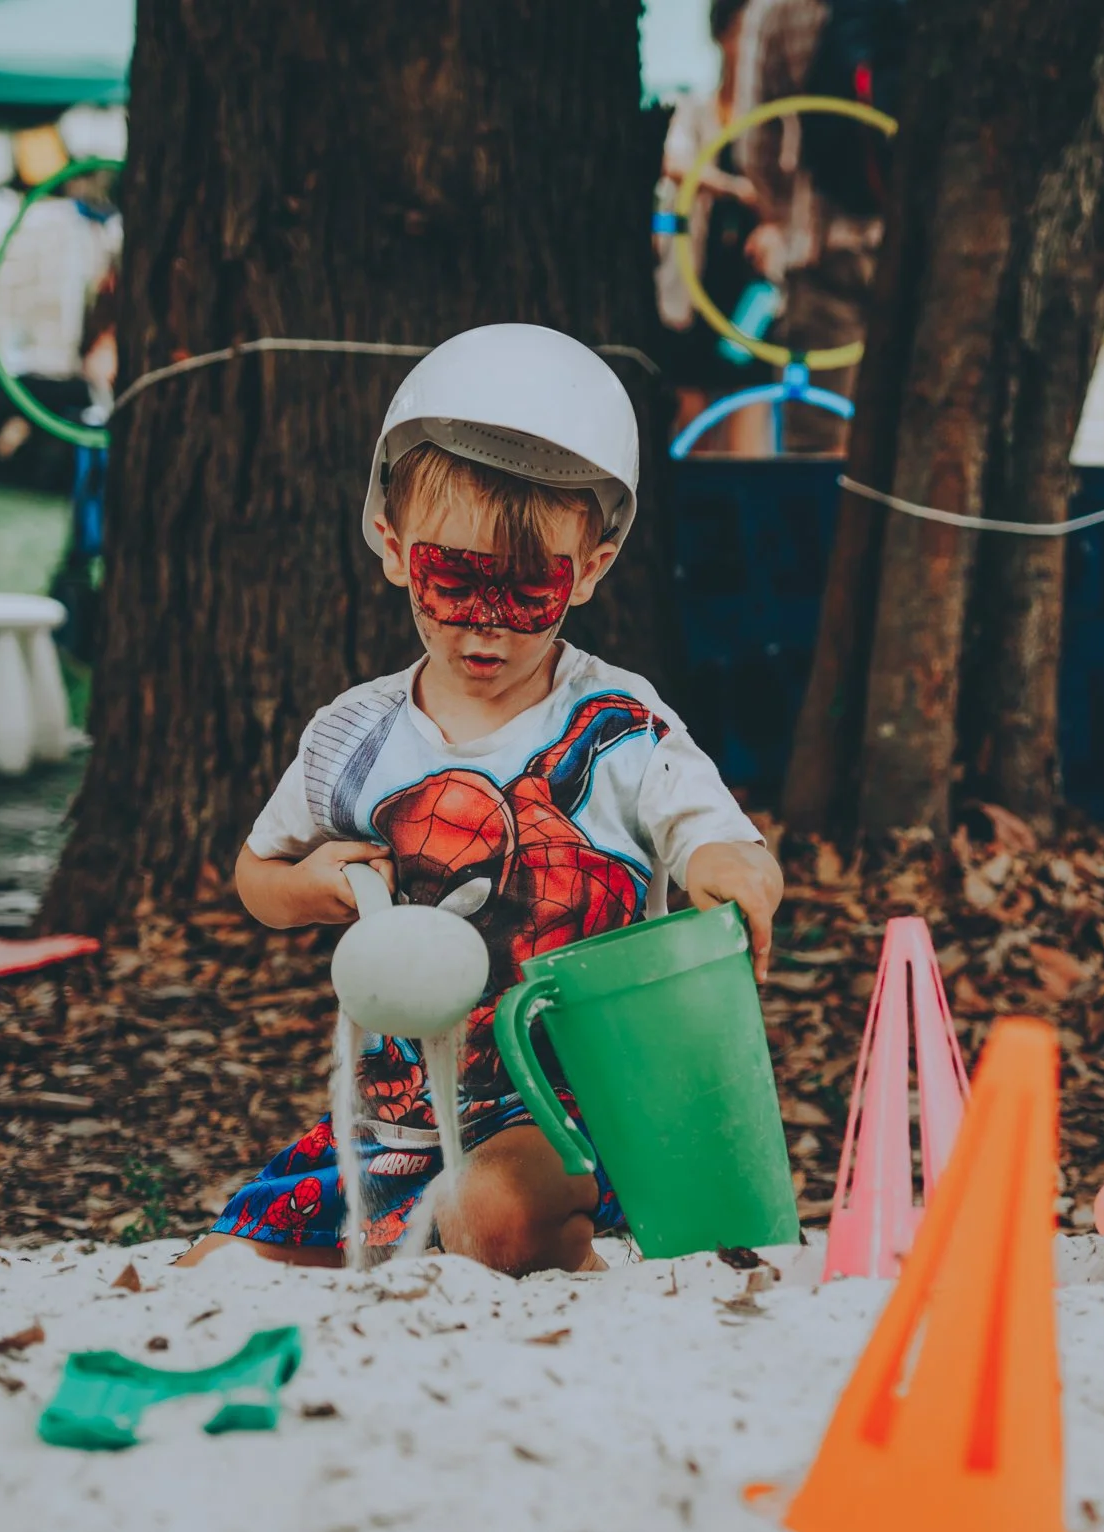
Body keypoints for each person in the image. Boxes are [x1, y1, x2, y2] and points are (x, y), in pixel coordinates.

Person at [183, 325, 784, 1277]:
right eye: (452, 579)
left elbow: (711, 830)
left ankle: (602, 1267)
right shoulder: (356, 735)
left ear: (590, 567)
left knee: (491, 1213)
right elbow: (256, 874)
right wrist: (309, 887)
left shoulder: (618, 724)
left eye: (528, 590)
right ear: (392, 545)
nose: (486, 625)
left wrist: (727, 865)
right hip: (401, 1116)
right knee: (217, 1267)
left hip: (578, 1113)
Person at [733, 0, 893, 453]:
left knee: (819, 443)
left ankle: (821, 525)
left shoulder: (778, 9)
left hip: (821, 249)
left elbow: (754, 140)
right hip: (921, 253)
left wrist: (786, 217)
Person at [656, 0, 774, 455]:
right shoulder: (697, 110)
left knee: (749, 434)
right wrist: (733, 189)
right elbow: (675, 161)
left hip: (753, 298)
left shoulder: (771, 119)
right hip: (695, 289)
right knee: (693, 431)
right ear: (722, 36)